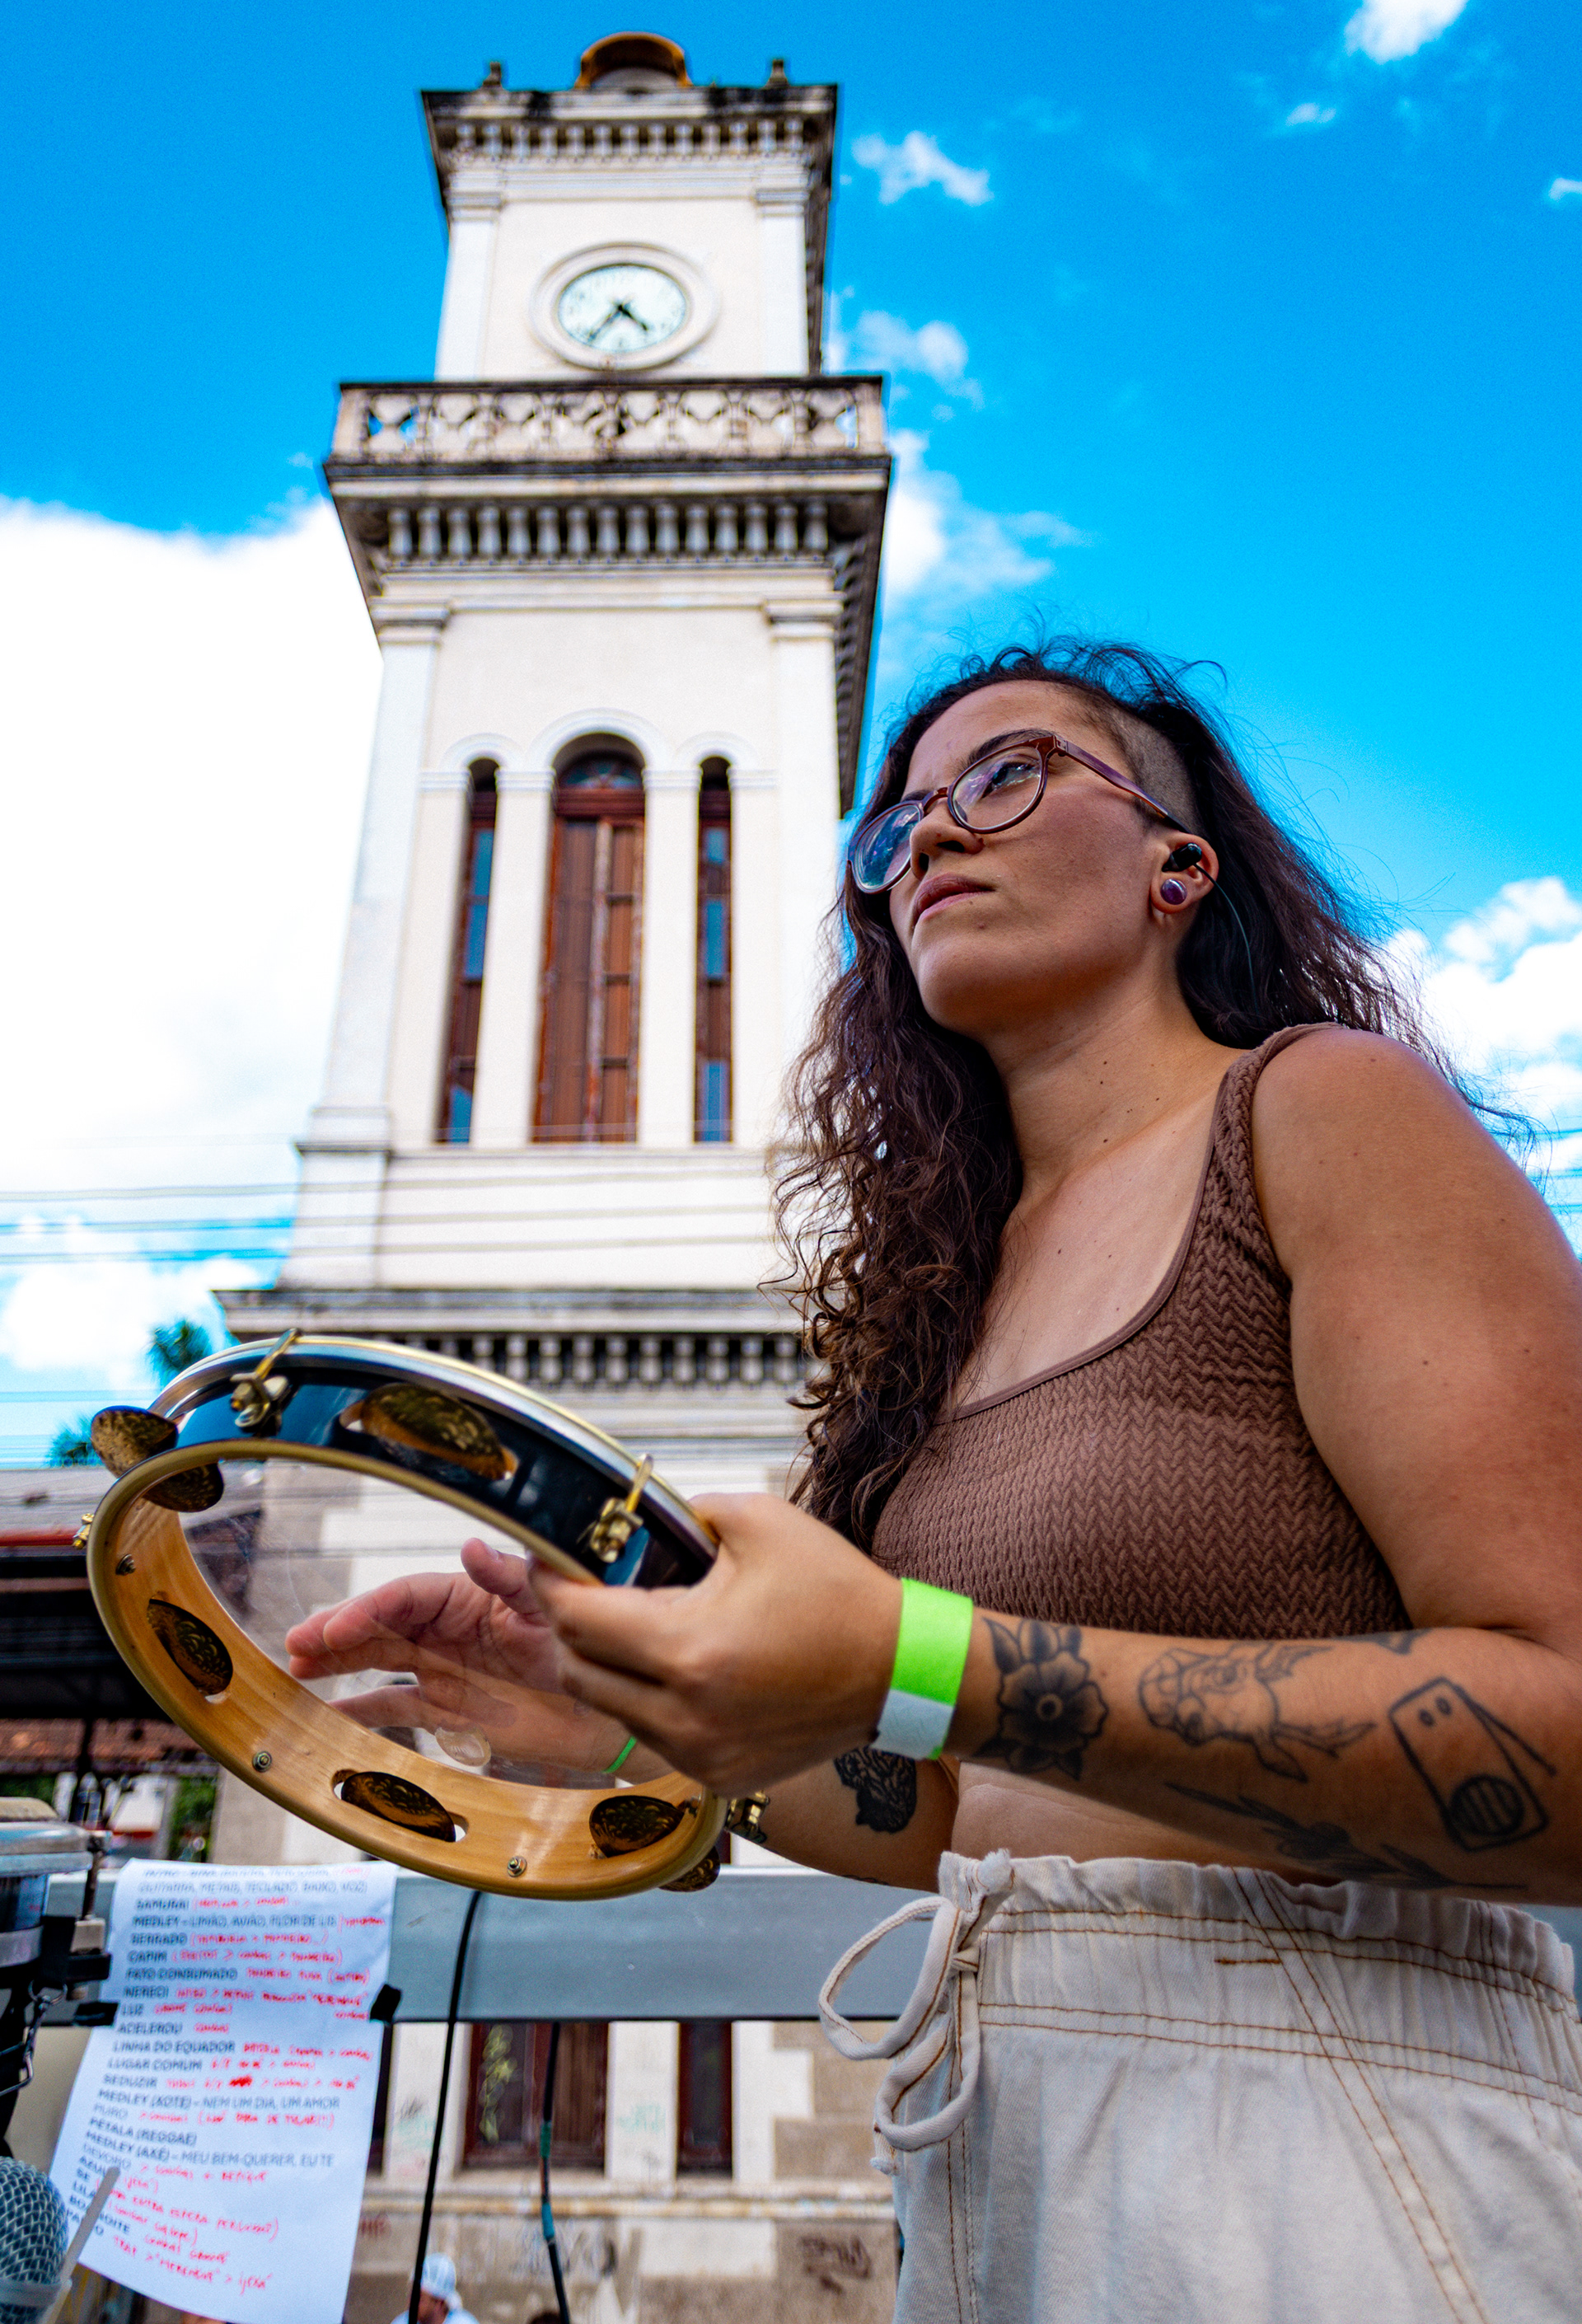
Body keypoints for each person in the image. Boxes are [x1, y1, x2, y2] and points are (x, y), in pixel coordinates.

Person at [293, 641, 1582, 2321]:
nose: (935, 843)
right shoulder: (946, 1298)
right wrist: (649, 1729)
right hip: (999, 2132)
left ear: (1174, 866)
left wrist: (918, 1656)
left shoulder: (1324, 1115)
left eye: (1008, 776)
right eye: (895, 831)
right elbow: (962, 1808)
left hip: (1327, 2120)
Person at [390, 2250, 479, 2324]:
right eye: (411, 2294)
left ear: (439, 2303)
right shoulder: (402, 2322)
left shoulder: (462, 2322)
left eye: (420, 2298)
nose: (411, 2302)